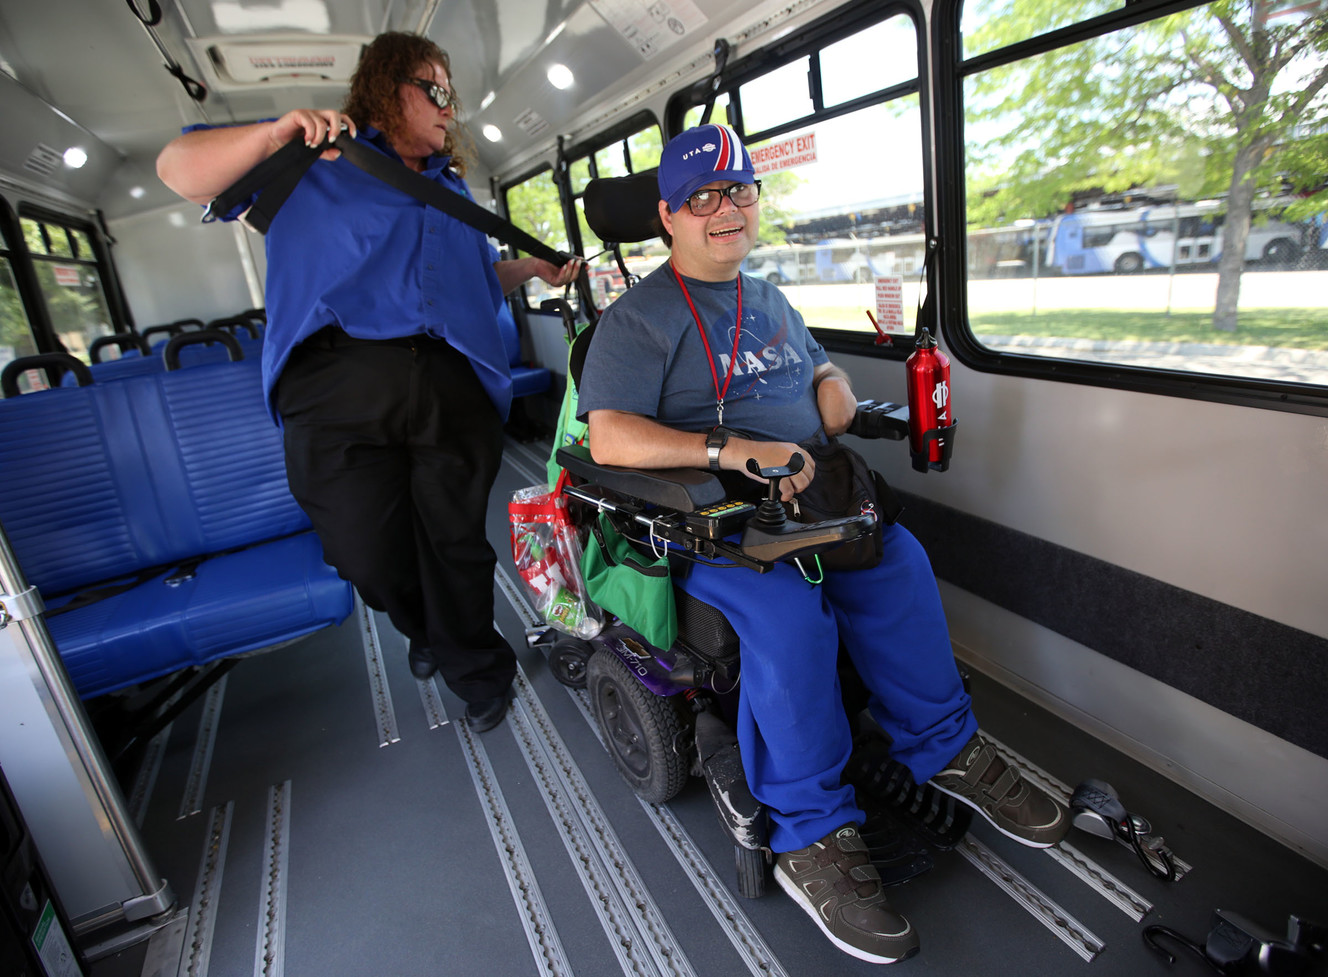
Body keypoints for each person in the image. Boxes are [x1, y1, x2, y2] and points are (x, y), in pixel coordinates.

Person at [576, 124, 1068, 964]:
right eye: (702, 198)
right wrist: (727, 452)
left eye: (739, 190)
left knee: (901, 563)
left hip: (812, 498)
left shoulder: (769, 299)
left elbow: (813, 373)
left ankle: (947, 748)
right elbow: (612, 438)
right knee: (793, 620)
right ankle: (811, 835)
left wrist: (835, 387)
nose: (725, 209)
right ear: (668, 216)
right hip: (716, 520)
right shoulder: (637, 319)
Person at [156, 32, 581, 732]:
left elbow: (470, 282)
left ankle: (479, 671)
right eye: (435, 89)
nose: (450, 107)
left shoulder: (450, 191)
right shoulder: (313, 159)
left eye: (452, 94)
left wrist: (529, 271)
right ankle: (426, 629)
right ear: (387, 87)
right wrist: (272, 132)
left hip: (452, 383)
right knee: (363, 552)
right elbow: (178, 168)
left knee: (457, 544)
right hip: (337, 382)